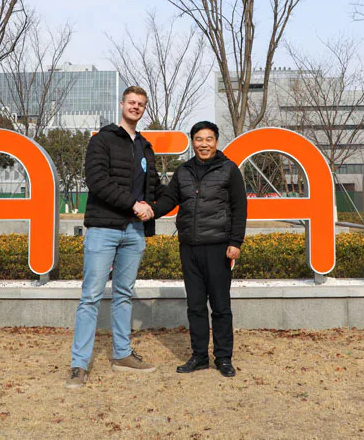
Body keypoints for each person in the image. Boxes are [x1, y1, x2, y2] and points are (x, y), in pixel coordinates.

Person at [66, 86, 160, 389]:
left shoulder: (145, 146)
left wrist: (151, 209)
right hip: (104, 228)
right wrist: (133, 204)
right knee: (90, 297)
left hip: (134, 231)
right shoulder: (102, 139)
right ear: (121, 104)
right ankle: (78, 365)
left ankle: (122, 354)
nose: (135, 107)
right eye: (131, 102)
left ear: (144, 109)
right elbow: (96, 180)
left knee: (124, 294)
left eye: (141, 104)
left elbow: (153, 187)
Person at [153, 121, 247, 377]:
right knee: (195, 305)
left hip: (219, 248)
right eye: (198, 139)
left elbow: (240, 208)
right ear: (192, 142)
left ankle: (224, 358)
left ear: (216, 141)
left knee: (220, 305)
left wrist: (235, 242)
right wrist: (150, 211)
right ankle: (199, 356)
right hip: (190, 247)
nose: (203, 144)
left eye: (209, 139)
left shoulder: (229, 170)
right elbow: (169, 200)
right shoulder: (183, 171)